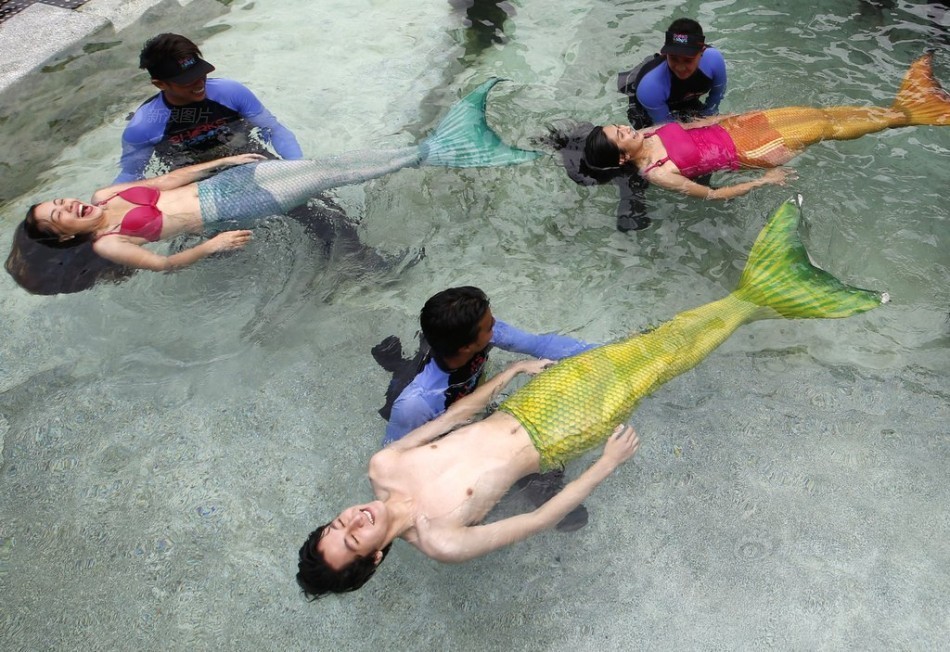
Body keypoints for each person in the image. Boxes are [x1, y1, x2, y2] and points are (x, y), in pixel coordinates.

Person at [296, 195, 888, 598]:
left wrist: (509, 376)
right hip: (565, 431)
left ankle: (765, 287)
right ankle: (763, 295)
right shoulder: (442, 540)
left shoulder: (384, 464)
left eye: (338, 521)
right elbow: (541, 516)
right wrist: (604, 464)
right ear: (375, 559)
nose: (355, 519)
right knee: (662, 363)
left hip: (530, 402)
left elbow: (460, 414)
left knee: (651, 346)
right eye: (354, 538)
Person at [8, 78, 538, 281]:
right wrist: (211, 244)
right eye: (58, 216)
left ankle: (436, 149)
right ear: (64, 237)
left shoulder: (106, 196)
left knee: (325, 167)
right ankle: (436, 150)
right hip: (228, 212)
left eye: (57, 201)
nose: (67, 205)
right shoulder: (110, 243)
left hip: (224, 183)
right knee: (322, 175)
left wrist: (221, 162)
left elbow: (174, 182)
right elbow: (165, 264)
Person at [584, 52, 950, 201]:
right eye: (621, 136)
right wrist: (762, 181)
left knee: (820, 113)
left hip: (741, 127)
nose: (626, 129)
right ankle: (910, 114)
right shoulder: (657, 173)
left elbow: (694, 127)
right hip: (750, 151)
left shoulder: (647, 134)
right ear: (620, 158)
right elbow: (710, 196)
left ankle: (903, 105)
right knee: (828, 129)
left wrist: (728, 117)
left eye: (620, 126)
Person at [375, 286, 596, 531]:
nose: (496, 328)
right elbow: (394, 457)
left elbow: (540, 344)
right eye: (489, 326)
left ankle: (396, 361)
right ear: (467, 346)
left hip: (466, 395)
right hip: (437, 419)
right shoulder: (417, 402)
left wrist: (602, 353)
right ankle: (396, 364)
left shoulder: (479, 335)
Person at [115, 33, 302, 183]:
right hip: (194, 180)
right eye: (186, 81)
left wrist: (297, 167)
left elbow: (273, 129)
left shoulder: (230, 92)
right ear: (160, 84)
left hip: (249, 158)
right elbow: (132, 174)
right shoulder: (144, 125)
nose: (199, 84)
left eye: (200, 74)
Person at [618, 18, 727, 130]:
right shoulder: (650, 87)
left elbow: (716, 96)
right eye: (674, 58)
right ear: (664, 54)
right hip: (650, 101)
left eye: (687, 60)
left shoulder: (714, 61)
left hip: (683, 97)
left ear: (702, 51)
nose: (680, 67)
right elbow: (669, 128)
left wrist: (709, 116)